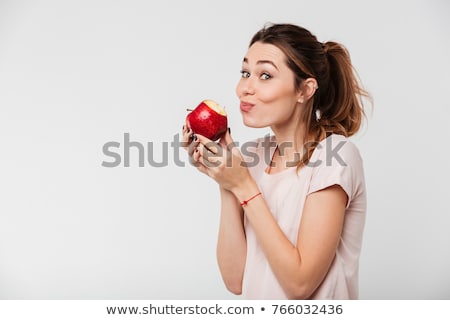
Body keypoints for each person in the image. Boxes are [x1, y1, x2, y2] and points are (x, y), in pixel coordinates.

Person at [182, 23, 370, 299]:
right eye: (245, 72)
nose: (245, 88)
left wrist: (243, 185)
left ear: (304, 90)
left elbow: (300, 284)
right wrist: (225, 179)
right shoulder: (253, 156)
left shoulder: (335, 155)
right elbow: (235, 280)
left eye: (265, 75)